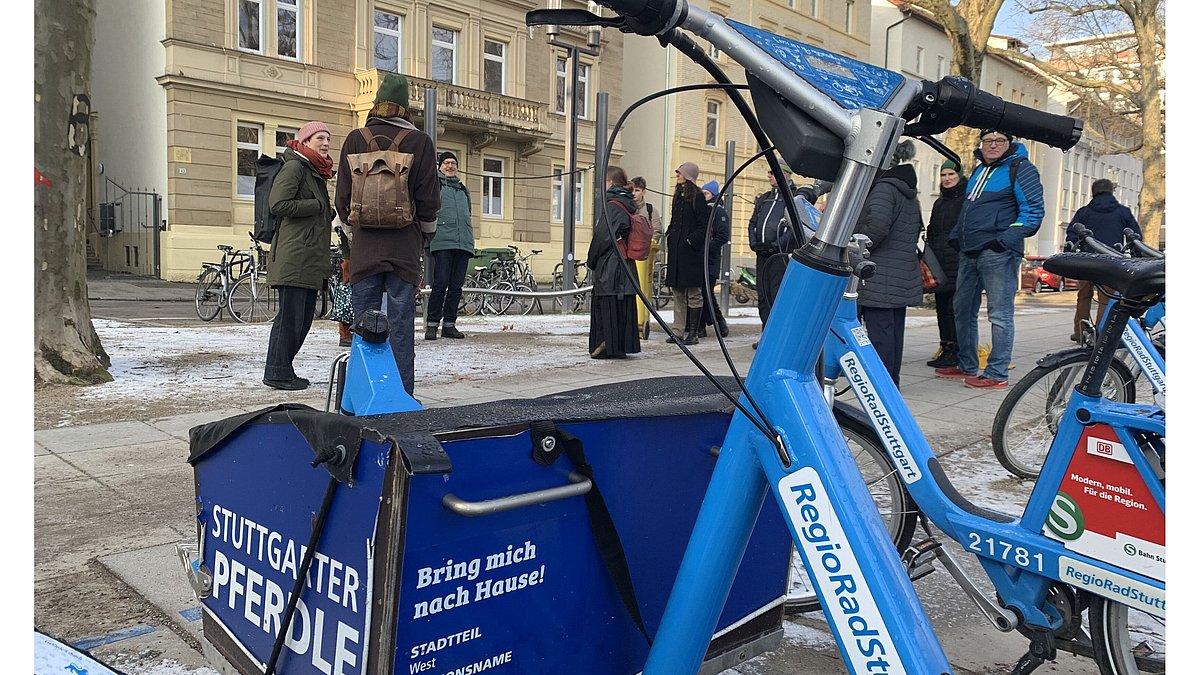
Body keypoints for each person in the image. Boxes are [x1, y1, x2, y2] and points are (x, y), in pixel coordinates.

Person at [334, 72, 441, 396]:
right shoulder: (419, 142)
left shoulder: (355, 138)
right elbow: (429, 200)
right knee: (401, 327)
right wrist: (425, 235)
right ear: (406, 109)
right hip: (404, 250)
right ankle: (400, 396)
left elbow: (341, 200)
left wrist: (356, 229)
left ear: (377, 105)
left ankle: (362, 394)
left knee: (362, 326)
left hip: (366, 249)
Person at [938, 129, 1045, 389]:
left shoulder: (1021, 168)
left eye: (999, 141)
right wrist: (956, 236)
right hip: (969, 251)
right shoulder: (978, 171)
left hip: (998, 253)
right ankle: (967, 365)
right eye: (988, 141)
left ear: (1010, 143)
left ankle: (997, 373)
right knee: (961, 311)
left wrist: (1004, 241)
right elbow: (968, 209)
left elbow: (1033, 211)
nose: (993, 145)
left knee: (1000, 314)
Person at [263, 121, 337, 390]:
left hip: (307, 256)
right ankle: (277, 372)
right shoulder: (295, 166)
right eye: (320, 138)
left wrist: (325, 212)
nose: (326, 143)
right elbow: (278, 203)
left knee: (302, 319)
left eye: (328, 138)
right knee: (291, 319)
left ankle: (283, 369)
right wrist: (317, 206)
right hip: (294, 255)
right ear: (305, 141)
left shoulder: (313, 170)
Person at [852, 140, 924, 385]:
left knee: (880, 333)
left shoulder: (884, 189)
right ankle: (890, 380)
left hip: (880, 273)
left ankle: (880, 384)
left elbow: (876, 229)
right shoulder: (906, 191)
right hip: (899, 273)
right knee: (892, 332)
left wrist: (855, 245)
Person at [1065, 178, 1140, 341]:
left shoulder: (1083, 212)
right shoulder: (1123, 212)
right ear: (1111, 192)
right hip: (1110, 262)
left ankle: (1080, 332)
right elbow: (1134, 235)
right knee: (1106, 300)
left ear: (1093, 192)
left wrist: (1070, 252)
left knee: (1083, 295)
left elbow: (1071, 234)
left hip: (1087, 261)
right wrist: (1137, 257)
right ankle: (1101, 334)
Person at [586, 166, 643, 359]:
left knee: (607, 305)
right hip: (625, 265)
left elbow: (603, 236)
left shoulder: (613, 204)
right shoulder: (627, 203)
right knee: (622, 306)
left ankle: (605, 346)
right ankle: (619, 346)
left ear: (610, 182)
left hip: (611, 266)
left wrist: (591, 260)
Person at [424, 151, 474, 341]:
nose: (450, 166)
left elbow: (467, 213)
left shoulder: (463, 189)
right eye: (446, 163)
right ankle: (432, 325)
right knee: (440, 283)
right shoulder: (435, 185)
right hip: (442, 240)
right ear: (440, 166)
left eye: (453, 163)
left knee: (456, 286)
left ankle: (449, 325)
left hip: (463, 243)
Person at [663, 161, 711, 346]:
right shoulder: (678, 196)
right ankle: (678, 331)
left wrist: (690, 241)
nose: (677, 175)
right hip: (676, 253)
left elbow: (703, 225)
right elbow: (675, 221)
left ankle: (693, 332)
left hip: (690, 254)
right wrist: (670, 236)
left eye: (680, 173)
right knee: (677, 292)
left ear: (688, 176)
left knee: (693, 293)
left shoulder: (698, 197)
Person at [924, 159, 966, 368]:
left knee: (955, 309)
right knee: (942, 309)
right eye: (943, 175)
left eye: (951, 175)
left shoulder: (966, 200)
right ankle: (946, 347)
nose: (947, 179)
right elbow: (933, 230)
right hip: (940, 263)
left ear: (959, 176)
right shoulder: (939, 203)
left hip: (958, 262)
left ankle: (958, 350)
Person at [747, 165, 798, 329]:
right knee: (763, 295)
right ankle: (766, 333)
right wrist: (754, 243)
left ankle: (778, 333)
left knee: (777, 295)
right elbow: (753, 222)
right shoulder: (765, 198)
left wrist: (776, 245)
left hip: (780, 255)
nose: (768, 176)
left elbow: (794, 227)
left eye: (771, 172)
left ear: (784, 173)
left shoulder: (794, 198)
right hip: (762, 254)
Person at [630, 176, 663, 338]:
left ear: (644, 192)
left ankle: (643, 319)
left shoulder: (650, 211)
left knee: (644, 289)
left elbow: (657, 230)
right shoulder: (627, 207)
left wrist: (651, 241)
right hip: (630, 255)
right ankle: (634, 320)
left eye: (637, 190)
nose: (634, 194)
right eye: (632, 190)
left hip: (645, 256)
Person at [698, 180, 730, 338]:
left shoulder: (719, 212)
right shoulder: (702, 210)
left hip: (710, 260)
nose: (703, 196)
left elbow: (723, 236)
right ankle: (700, 326)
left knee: (706, 294)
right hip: (699, 259)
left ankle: (719, 321)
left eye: (706, 193)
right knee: (699, 294)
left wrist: (707, 246)